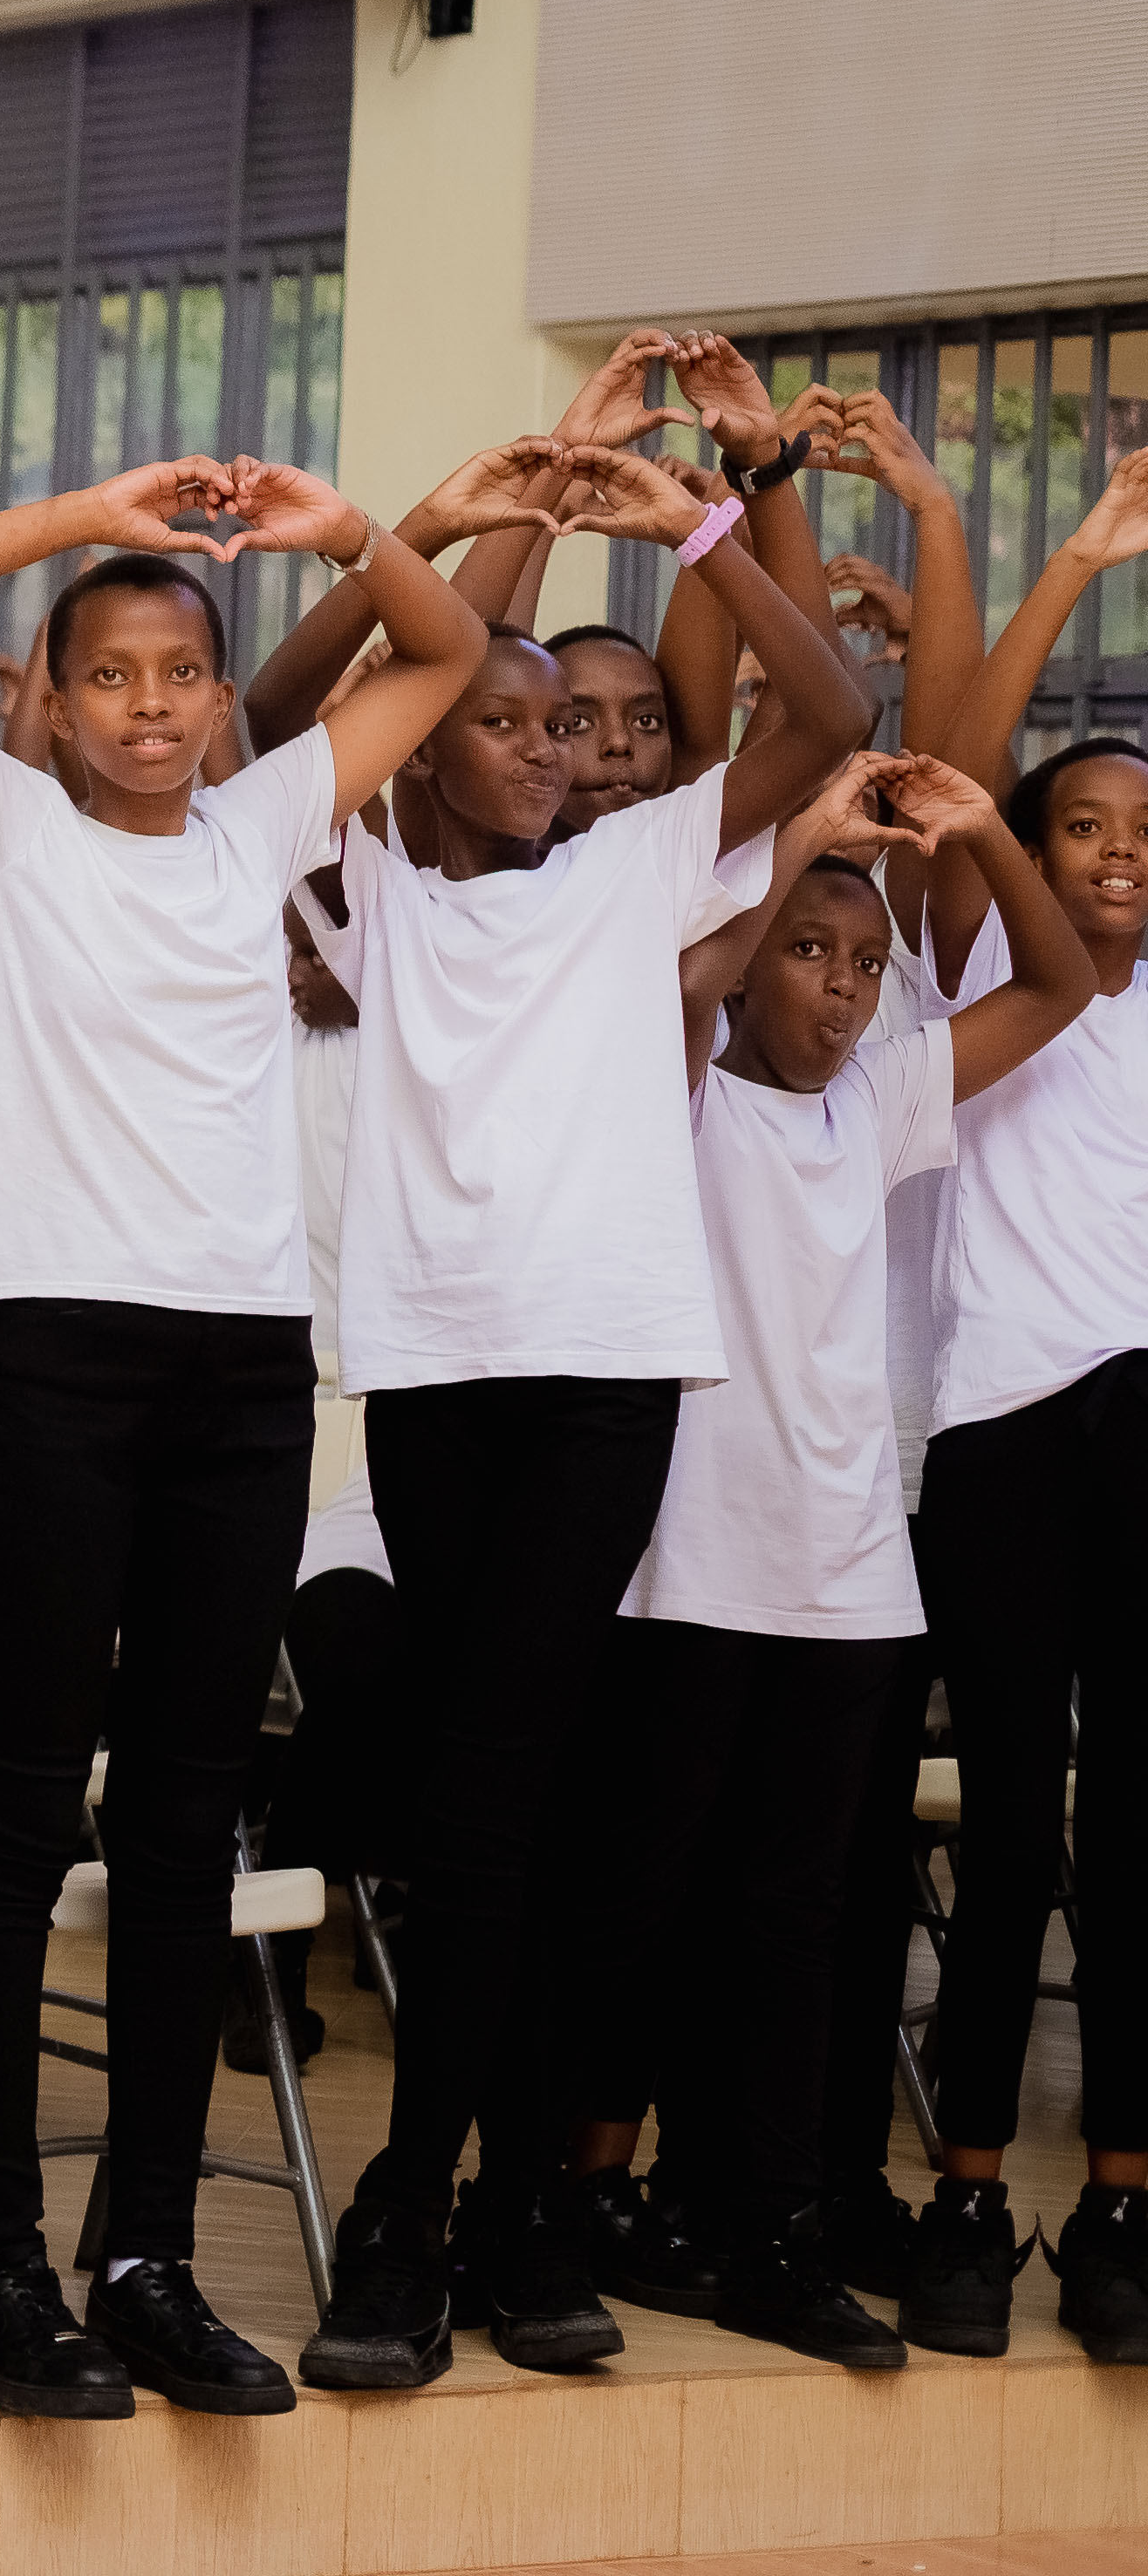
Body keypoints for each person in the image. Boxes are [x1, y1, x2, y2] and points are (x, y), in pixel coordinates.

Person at [0, 455, 482, 2419]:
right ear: (50, 693)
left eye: (182, 671)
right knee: (22, 1811)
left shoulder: (259, 818)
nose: (154, 706)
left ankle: (147, 2258)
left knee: (188, 1825)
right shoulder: (5, 828)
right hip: (56, 1368)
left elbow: (440, 648)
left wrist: (339, 534)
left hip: (241, 1381)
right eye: (109, 675)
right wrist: (90, 510)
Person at [236, 406, 867, 2387]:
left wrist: (696, 522)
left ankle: (429, 2209)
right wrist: (453, 522)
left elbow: (834, 710)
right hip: (436, 1382)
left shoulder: (640, 871)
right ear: (428, 741)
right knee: (483, 1802)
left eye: (566, 726)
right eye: (500, 720)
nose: (545, 747)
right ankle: (484, 2209)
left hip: (603, 1383)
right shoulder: (378, 892)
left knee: (502, 1793)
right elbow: (279, 706)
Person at [543, 752, 1088, 2377]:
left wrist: (981, 829)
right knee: (643, 1897)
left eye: (862, 963)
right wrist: (802, 844)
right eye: (807, 952)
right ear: (751, 958)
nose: (842, 989)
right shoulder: (681, 1088)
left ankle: (771, 2228)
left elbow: (1057, 981)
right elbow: (682, 973)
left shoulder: (885, 1101)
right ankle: (589, 2194)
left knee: (797, 1917)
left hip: (849, 1577)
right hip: (687, 1566)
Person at [890, 445, 1148, 2357]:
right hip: (1000, 1433)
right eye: (1082, 827)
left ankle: (1121, 2209)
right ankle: (968, 2198)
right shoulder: (994, 964)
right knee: (1004, 1839)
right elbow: (958, 759)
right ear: (1031, 856)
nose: (1116, 852)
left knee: (1135, 1843)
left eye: (1142, 830)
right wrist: (1072, 559)